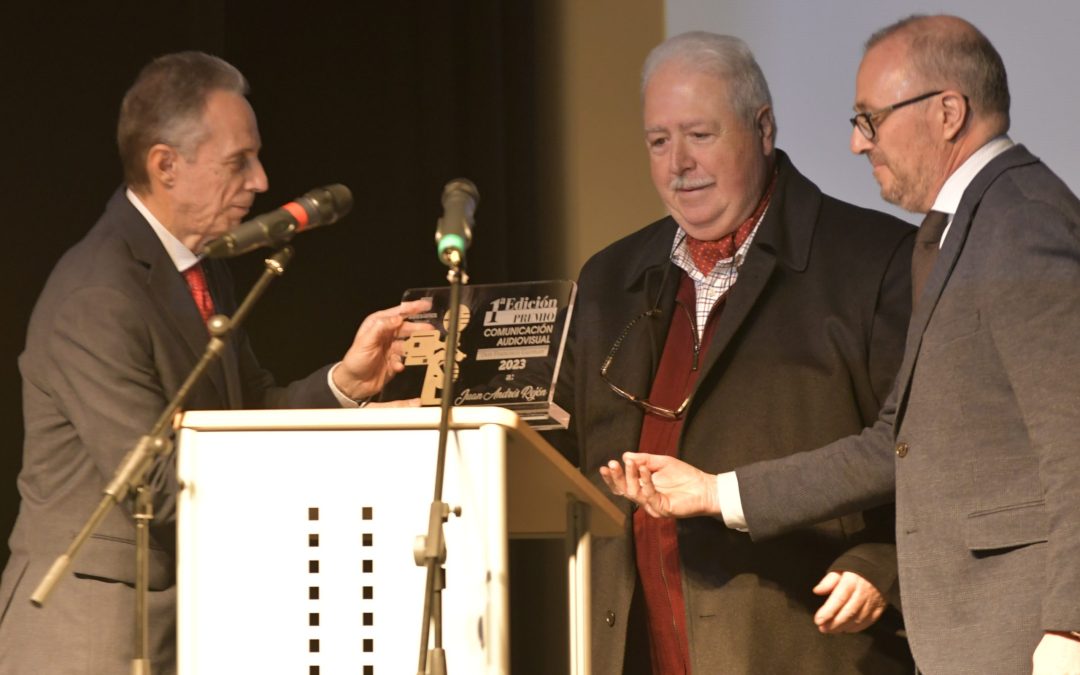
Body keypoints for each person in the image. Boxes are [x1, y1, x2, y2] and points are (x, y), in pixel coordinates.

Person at [602, 15, 1080, 675]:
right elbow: (894, 444)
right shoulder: (957, 231)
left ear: (947, 112)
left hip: (1021, 635)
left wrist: (1070, 626)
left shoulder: (1020, 220)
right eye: (659, 139)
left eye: (871, 119)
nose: (858, 143)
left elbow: (1073, 436)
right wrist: (716, 493)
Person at [0, 51, 429, 674]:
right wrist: (347, 466)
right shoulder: (98, 293)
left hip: (186, 621)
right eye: (239, 162)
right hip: (92, 631)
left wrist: (345, 384)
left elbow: (245, 416)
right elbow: (158, 485)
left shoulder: (201, 270)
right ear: (166, 166)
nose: (260, 181)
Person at [554, 32, 916, 673]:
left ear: (764, 128)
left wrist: (881, 565)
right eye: (659, 142)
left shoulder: (875, 263)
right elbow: (555, 450)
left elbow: (925, 452)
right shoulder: (609, 280)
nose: (677, 165)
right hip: (635, 649)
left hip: (802, 646)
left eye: (699, 135)